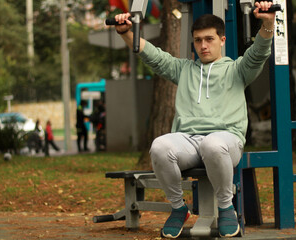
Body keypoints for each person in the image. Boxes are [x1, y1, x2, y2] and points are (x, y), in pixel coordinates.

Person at [114, 1, 275, 238]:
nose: (203, 45)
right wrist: (125, 33)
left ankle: (225, 206)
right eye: (198, 40)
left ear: (222, 40)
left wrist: (268, 23)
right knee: (159, 146)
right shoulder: (185, 69)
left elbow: (259, 52)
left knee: (213, 144)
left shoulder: (238, 70)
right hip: (188, 140)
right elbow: (153, 56)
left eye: (209, 39)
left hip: (226, 140)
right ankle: (179, 208)